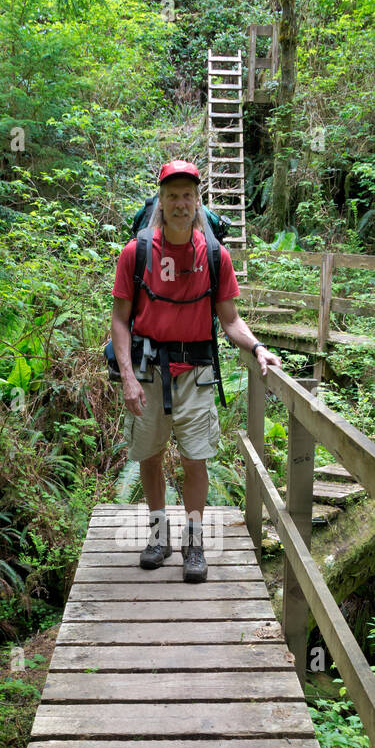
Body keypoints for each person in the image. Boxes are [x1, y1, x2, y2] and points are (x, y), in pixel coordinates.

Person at [110, 160, 280, 581]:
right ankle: (157, 536)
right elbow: (119, 319)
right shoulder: (138, 253)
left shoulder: (215, 256)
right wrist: (128, 378)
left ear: (197, 200)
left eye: (187, 195)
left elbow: (230, 319)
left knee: (195, 459)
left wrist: (258, 347)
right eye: (172, 196)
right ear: (161, 202)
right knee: (149, 456)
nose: (180, 203)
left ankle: (194, 542)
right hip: (148, 369)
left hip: (197, 371)